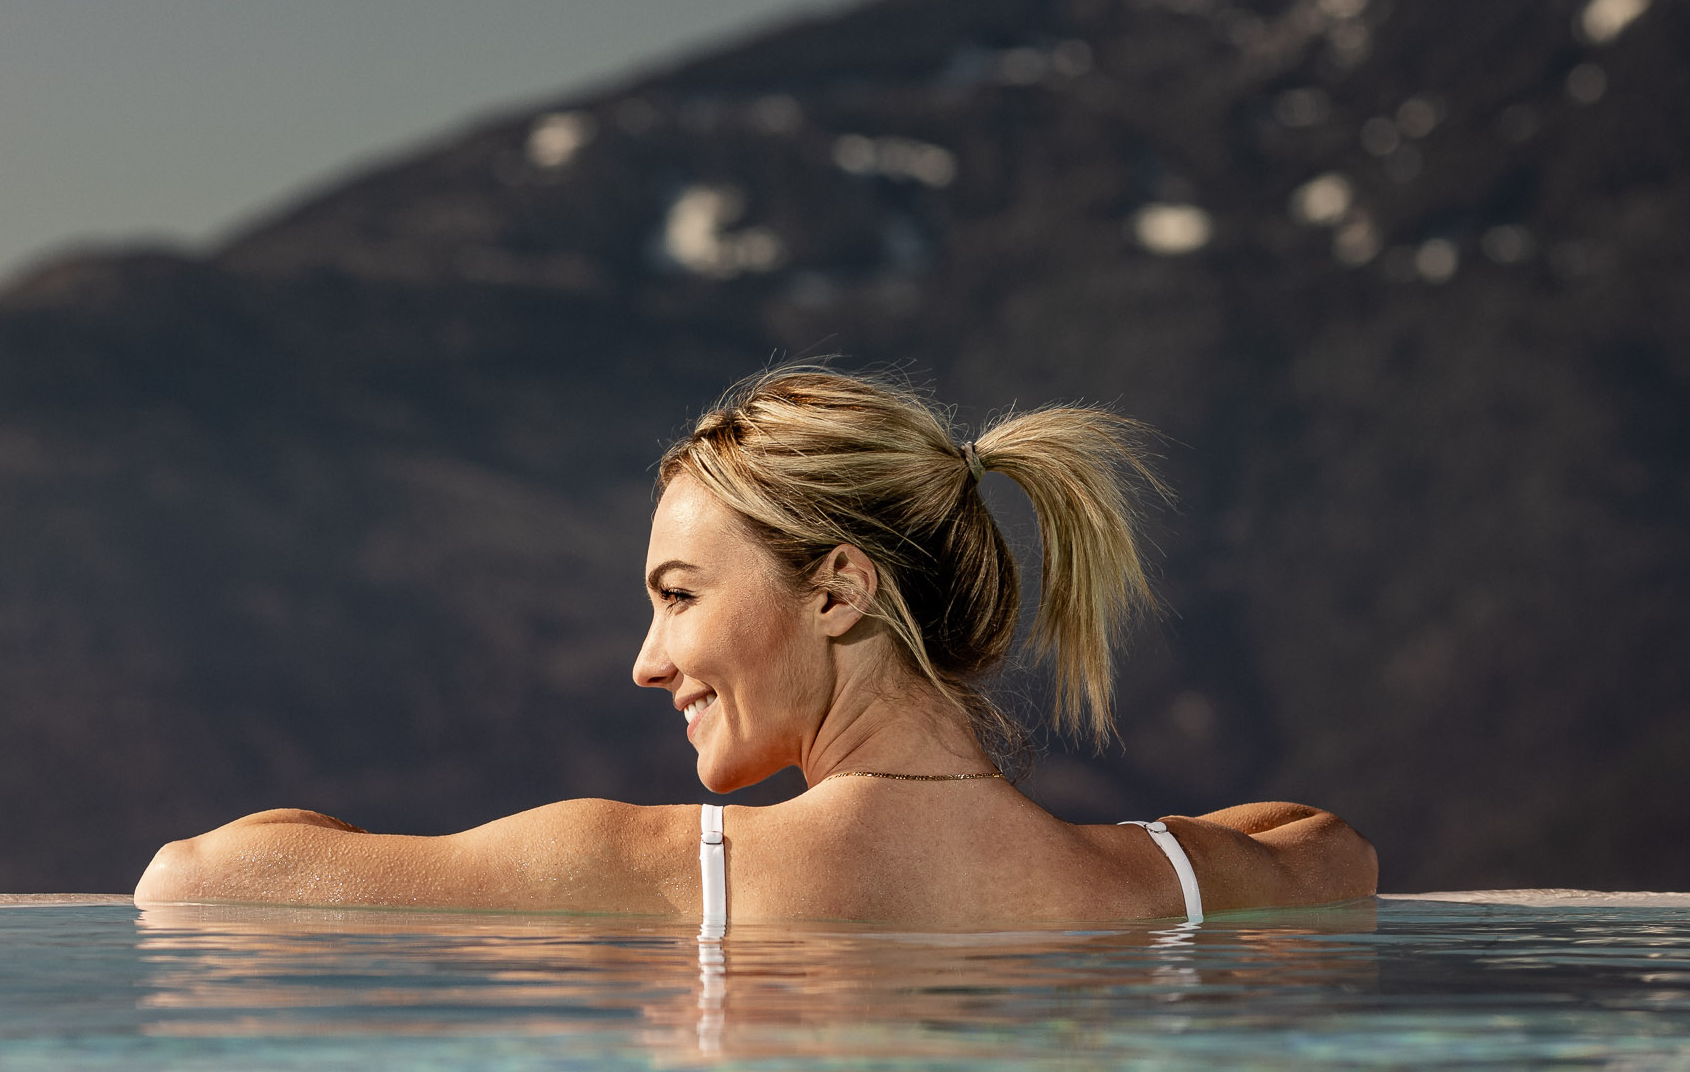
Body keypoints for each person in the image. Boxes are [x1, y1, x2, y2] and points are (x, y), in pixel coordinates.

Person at [133, 367, 1374, 926]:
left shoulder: (663, 874)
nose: (645, 660)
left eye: (676, 596)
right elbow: (1329, 846)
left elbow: (189, 885)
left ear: (838, 589)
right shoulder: (1162, 888)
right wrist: (1148, 842)